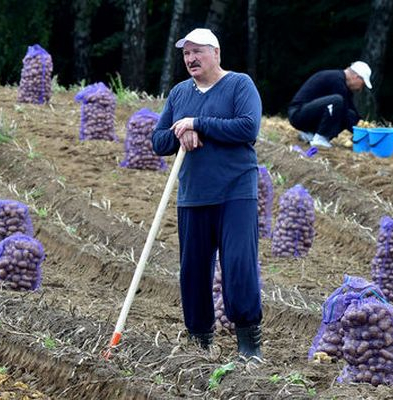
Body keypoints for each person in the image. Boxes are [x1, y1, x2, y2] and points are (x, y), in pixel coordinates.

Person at [151, 28, 263, 358]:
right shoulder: (179, 93)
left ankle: (249, 341)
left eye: (197, 51)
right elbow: (159, 142)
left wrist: (198, 123)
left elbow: (247, 127)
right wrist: (181, 130)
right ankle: (199, 339)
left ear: (216, 52)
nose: (190, 58)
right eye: (186, 53)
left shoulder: (240, 85)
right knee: (193, 269)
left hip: (235, 191)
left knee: (238, 263)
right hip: (194, 194)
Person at [288, 61, 372, 148]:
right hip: (298, 114)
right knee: (337, 101)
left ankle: (310, 135)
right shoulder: (337, 80)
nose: (361, 88)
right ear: (356, 77)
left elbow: (350, 111)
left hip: (309, 113)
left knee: (349, 112)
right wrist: (357, 131)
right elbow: (344, 113)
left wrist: (361, 127)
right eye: (363, 84)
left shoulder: (342, 83)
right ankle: (320, 139)